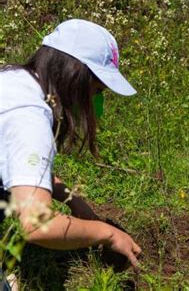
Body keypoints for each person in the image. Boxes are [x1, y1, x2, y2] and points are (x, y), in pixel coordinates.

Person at [0, 19, 142, 273]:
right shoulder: (30, 117)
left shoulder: (15, 82)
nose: (96, 103)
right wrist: (108, 234)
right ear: (75, 75)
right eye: (97, 91)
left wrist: (72, 200)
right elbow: (36, 224)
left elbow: (19, 164)